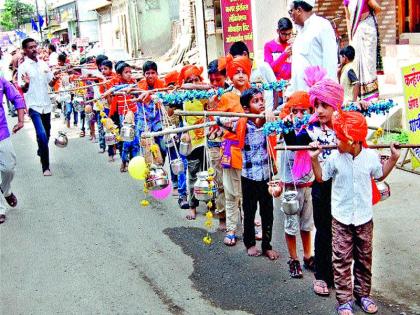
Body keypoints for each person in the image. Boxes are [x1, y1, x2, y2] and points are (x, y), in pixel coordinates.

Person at [310, 111, 400, 315]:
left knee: (364, 259)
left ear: (352, 141)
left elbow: (380, 174)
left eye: (339, 137)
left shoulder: (370, 157)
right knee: (341, 261)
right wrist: (314, 159)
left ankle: (363, 295)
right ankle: (344, 300)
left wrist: (393, 158)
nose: (335, 140)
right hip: (341, 219)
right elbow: (321, 177)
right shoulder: (334, 157)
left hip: (364, 219)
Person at [283, 66, 343, 295]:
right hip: (321, 188)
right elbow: (292, 142)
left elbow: (358, 133)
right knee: (324, 230)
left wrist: (363, 107)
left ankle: (340, 273)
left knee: (343, 232)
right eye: (316, 105)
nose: (318, 110)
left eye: (324, 105)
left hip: (343, 187)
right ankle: (322, 276)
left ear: (335, 105)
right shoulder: (311, 130)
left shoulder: (343, 125)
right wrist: (286, 123)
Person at [239, 87, 279, 260]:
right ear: (246, 108)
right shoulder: (242, 123)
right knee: (249, 211)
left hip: (265, 176)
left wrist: (268, 118)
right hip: (248, 177)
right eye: (256, 101)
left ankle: (267, 245)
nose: (261, 103)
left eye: (262, 100)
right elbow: (219, 120)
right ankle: (250, 243)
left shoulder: (268, 121)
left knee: (267, 212)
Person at [215, 54, 252, 246]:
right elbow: (217, 119)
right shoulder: (226, 96)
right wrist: (226, 122)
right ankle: (231, 229)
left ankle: (250, 230)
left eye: (244, 72)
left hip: (250, 149)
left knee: (249, 194)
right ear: (230, 76)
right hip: (230, 148)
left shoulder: (254, 94)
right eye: (236, 72)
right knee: (231, 192)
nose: (240, 75)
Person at [278, 91, 315, 278]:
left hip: (308, 183)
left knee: (307, 224)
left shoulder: (312, 129)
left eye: (304, 111)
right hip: (290, 186)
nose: (300, 115)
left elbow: (295, 141)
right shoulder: (282, 126)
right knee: (291, 224)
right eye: (295, 111)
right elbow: (289, 140)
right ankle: (294, 259)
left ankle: (308, 256)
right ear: (289, 111)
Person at [18, 38, 59, 176]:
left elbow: (51, 84)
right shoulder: (23, 67)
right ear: (24, 50)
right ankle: (45, 167)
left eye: (35, 46)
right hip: (33, 106)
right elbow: (23, 89)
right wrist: (27, 83)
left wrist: (55, 79)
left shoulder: (43, 64)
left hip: (46, 105)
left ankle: (41, 150)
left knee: (46, 133)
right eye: (30, 47)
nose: (34, 49)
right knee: (41, 134)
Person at [286, 0, 338, 96]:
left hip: (318, 97)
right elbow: (297, 69)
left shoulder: (322, 26)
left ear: (298, 10)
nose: (290, 16)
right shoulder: (299, 34)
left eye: (290, 11)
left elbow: (331, 63)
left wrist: (327, 95)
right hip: (300, 98)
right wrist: (290, 93)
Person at [0, 76, 26, 224]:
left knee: (9, 168)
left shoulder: (2, 81)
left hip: (1, 132)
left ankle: (6, 190)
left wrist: (21, 120)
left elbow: (17, 97)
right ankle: (0, 210)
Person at [229, 41, 278, 114]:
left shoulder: (263, 66)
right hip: (251, 116)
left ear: (245, 54)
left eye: (236, 59)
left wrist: (274, 109)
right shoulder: (238, 73)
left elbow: (275, 88)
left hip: (268, 112)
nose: (236, 62)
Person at [264, 17, 293, 82]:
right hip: (276, 85)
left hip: (291, 84)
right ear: (278, 31)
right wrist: (284, 55)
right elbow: (269, 70)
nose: (287, 37)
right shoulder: (269, 46)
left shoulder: (292, 45)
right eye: (284, 34)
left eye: (289, 34)